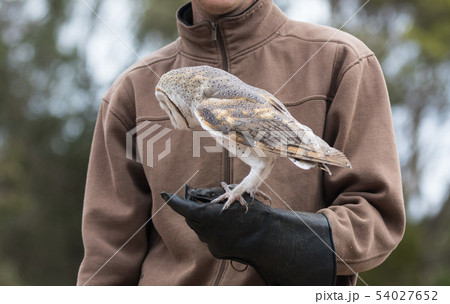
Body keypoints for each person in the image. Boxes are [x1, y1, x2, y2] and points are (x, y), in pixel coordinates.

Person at [77, 0, 405, 285]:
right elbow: (107, 261)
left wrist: (280, 236)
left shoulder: (340, 60)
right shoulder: (134, 90)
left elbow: (375, 213)